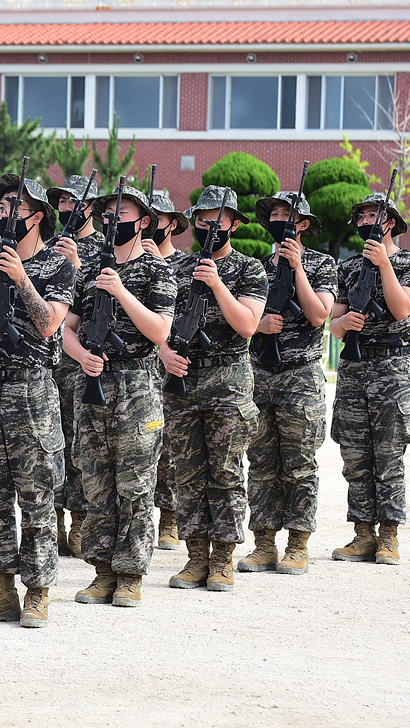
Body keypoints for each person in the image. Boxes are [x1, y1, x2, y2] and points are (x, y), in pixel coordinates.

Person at [0, 174, 73, 629]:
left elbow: (49, 325)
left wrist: (21, 277)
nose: (7, 213)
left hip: (33, 391)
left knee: (36, 494)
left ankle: (39, 591)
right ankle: (1, 590)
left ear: (38, 215)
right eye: (2, 206)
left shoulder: (57, 265)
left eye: (16, 206)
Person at [63, 185, 175, 607]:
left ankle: (130, 573)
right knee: (95, 480)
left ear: (143, 221)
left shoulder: (156, 271)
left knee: (135, 484)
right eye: (107, 212)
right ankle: (102, 570)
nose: (113, 219)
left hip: (136, 387)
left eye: (122, 212)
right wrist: (81, 357)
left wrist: (121, 291)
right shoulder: (89, 266)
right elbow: (66, 328)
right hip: (91, 386)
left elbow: (160, 331)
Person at [160, 185, 267, 593]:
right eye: (202, 221)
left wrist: (218, 284)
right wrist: (165, 353)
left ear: (234, 225)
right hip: (183, 381)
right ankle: (195, 557)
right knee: (186, 473)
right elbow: (158, 323)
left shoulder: (250, 269)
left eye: (217, 222)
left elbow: (247, 325)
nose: (208, 228)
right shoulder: (176, 268)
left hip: (228, 382)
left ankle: (222, 559)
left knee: (224, 472)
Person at [239, 191, 335, 576]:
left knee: (299, 463)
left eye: (288, 214)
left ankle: (298, 543)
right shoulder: (256, 268)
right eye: (275, 214)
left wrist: (297, 269)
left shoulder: (322, 264)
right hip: (260, 373)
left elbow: (319, 315)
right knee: (260, 461)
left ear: (304, 224)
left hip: (301, 376)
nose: (280, 219)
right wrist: (258, 326)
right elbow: (242, 320)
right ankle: (263, 543)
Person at [328, 193, 410, 566]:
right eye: (364, 215)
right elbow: (333, 324)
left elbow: (401, 309)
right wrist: (343, 323)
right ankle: (362, 534)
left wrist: (385, 265)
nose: (369, 220)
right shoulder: (348, 268)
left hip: (392, 369)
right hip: (354, 368)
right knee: (354, 456)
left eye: (376, 215)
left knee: (388, 455)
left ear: (391, 223)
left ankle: (389, 536)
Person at [47, 174, 103, 557]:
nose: (67, 209)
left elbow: (96, 301)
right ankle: (55, 521)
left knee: (84, 444)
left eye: (74, 202)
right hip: (51, 364)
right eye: (62, 203)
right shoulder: (46, 247)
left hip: (86, 365)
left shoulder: (106, 248)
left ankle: (82, 520)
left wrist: (76, 266)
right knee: (52, 444)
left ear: (92, 207)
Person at [141, 192, 191, 549]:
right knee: (143, 446)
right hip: (143, 369)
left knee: (173, 448)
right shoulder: (128, 261)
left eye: (157, 217)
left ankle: (170, 518)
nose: (150, 224)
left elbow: (184, 315)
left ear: (171, 224)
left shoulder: (188, 266)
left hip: (176, 368)